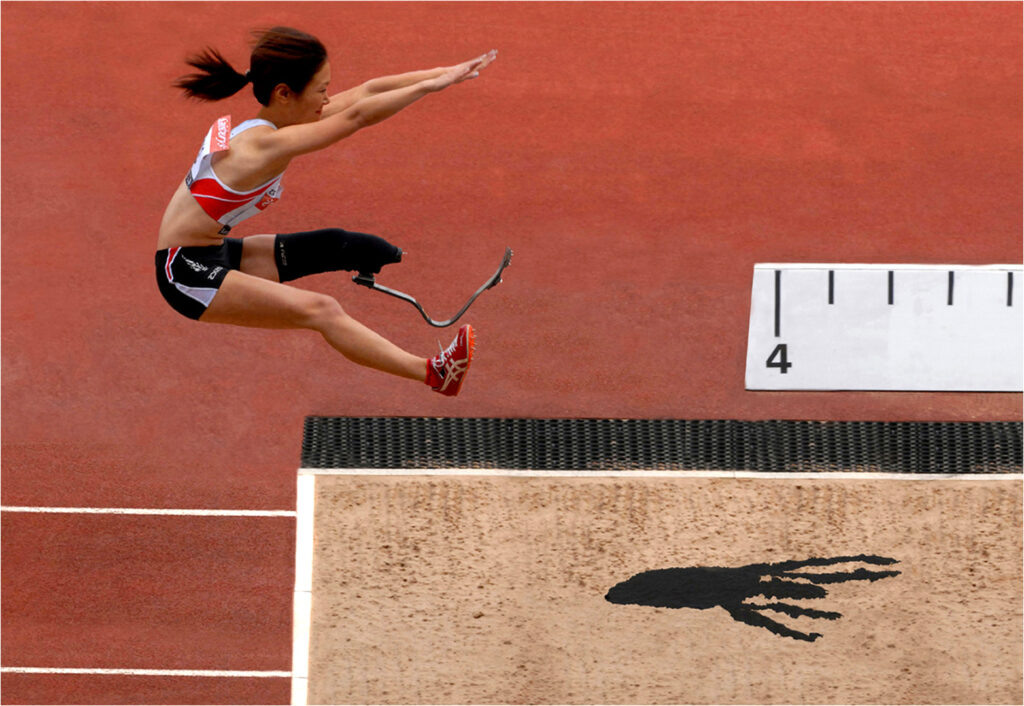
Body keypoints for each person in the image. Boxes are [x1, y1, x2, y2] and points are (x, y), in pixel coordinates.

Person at [157, 26, 497, 396]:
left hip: (215, 252)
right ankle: (436, 374)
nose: (327, 99)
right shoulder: (261, 147)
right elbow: (357, 117)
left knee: (338, 245)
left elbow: (366, 92)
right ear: (284, 93)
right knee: (322, 310)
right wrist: (427, 88)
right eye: (321, 90)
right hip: (185, 271)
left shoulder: (271, 124)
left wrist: (445, 74)